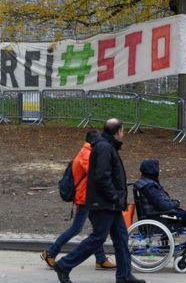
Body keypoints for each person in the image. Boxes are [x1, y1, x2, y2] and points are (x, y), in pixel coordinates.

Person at [53, 118, 145, 283]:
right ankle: (64, 265)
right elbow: (102, 176)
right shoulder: (104, 147)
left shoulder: (106, 146)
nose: (124, 134)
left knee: (121, 238)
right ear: (117, 132)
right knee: (97, 239)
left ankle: (124, 276)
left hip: (110, 204)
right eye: (123, 130)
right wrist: (115, 197)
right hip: (104, 204)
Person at [41, 130, 116, 270]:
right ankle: (50, 252)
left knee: (97, 231)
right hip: (85, 197)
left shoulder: (86, 152)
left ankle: (100, 259)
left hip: (88, 196)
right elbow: (96, 173)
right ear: (94, 141)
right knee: (77, 228)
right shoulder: (86, 154)